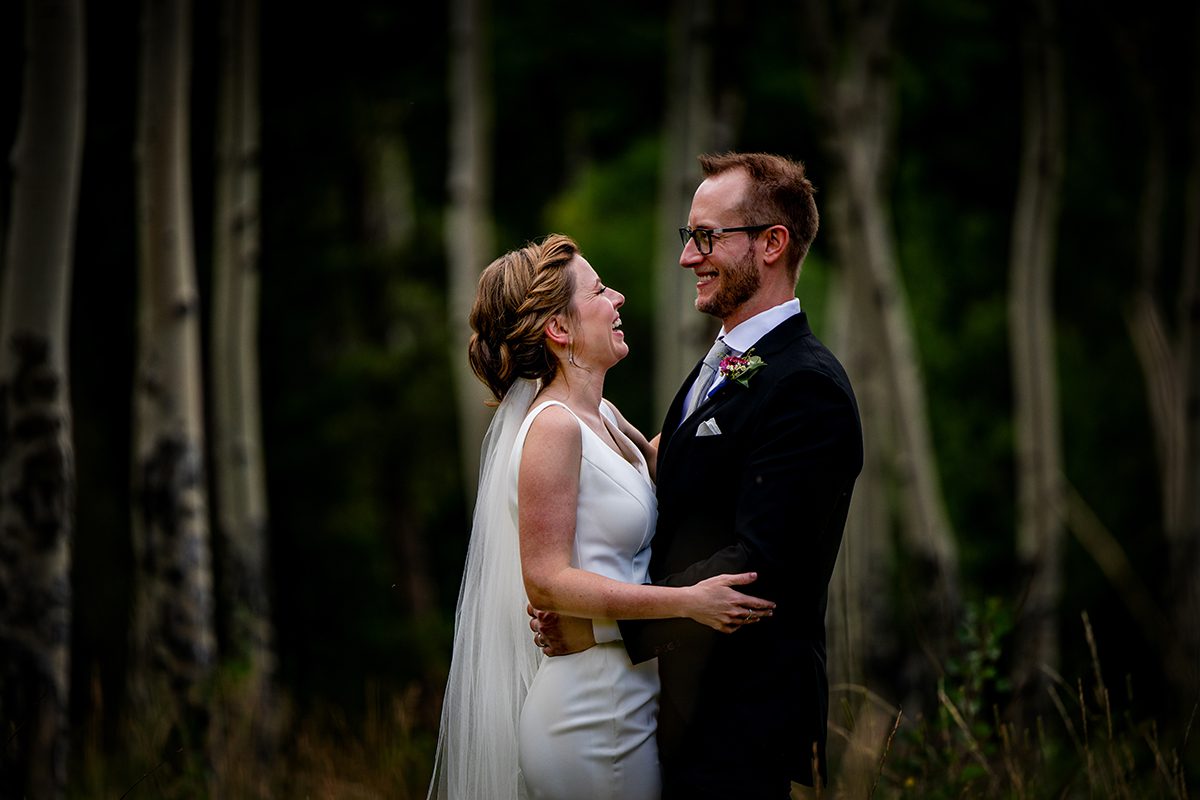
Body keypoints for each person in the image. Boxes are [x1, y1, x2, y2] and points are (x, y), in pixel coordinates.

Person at [531, 153, 864, 798]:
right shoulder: (723, 364)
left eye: (707, 237)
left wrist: (600, 628)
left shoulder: (807, 389)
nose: (689, 257)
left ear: (772, 245)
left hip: (740, 725)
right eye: (690, 237)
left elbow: (755, 570)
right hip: (667, 712)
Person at [428, 233, 776, 800]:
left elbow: (682, 460)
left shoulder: (604, 417)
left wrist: (748, 375)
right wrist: (688, 602)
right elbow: (545, 579)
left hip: (628, 697)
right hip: (590, 719)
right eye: (598, 291)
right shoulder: (554, 429)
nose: (617, 299)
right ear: (560, 330)